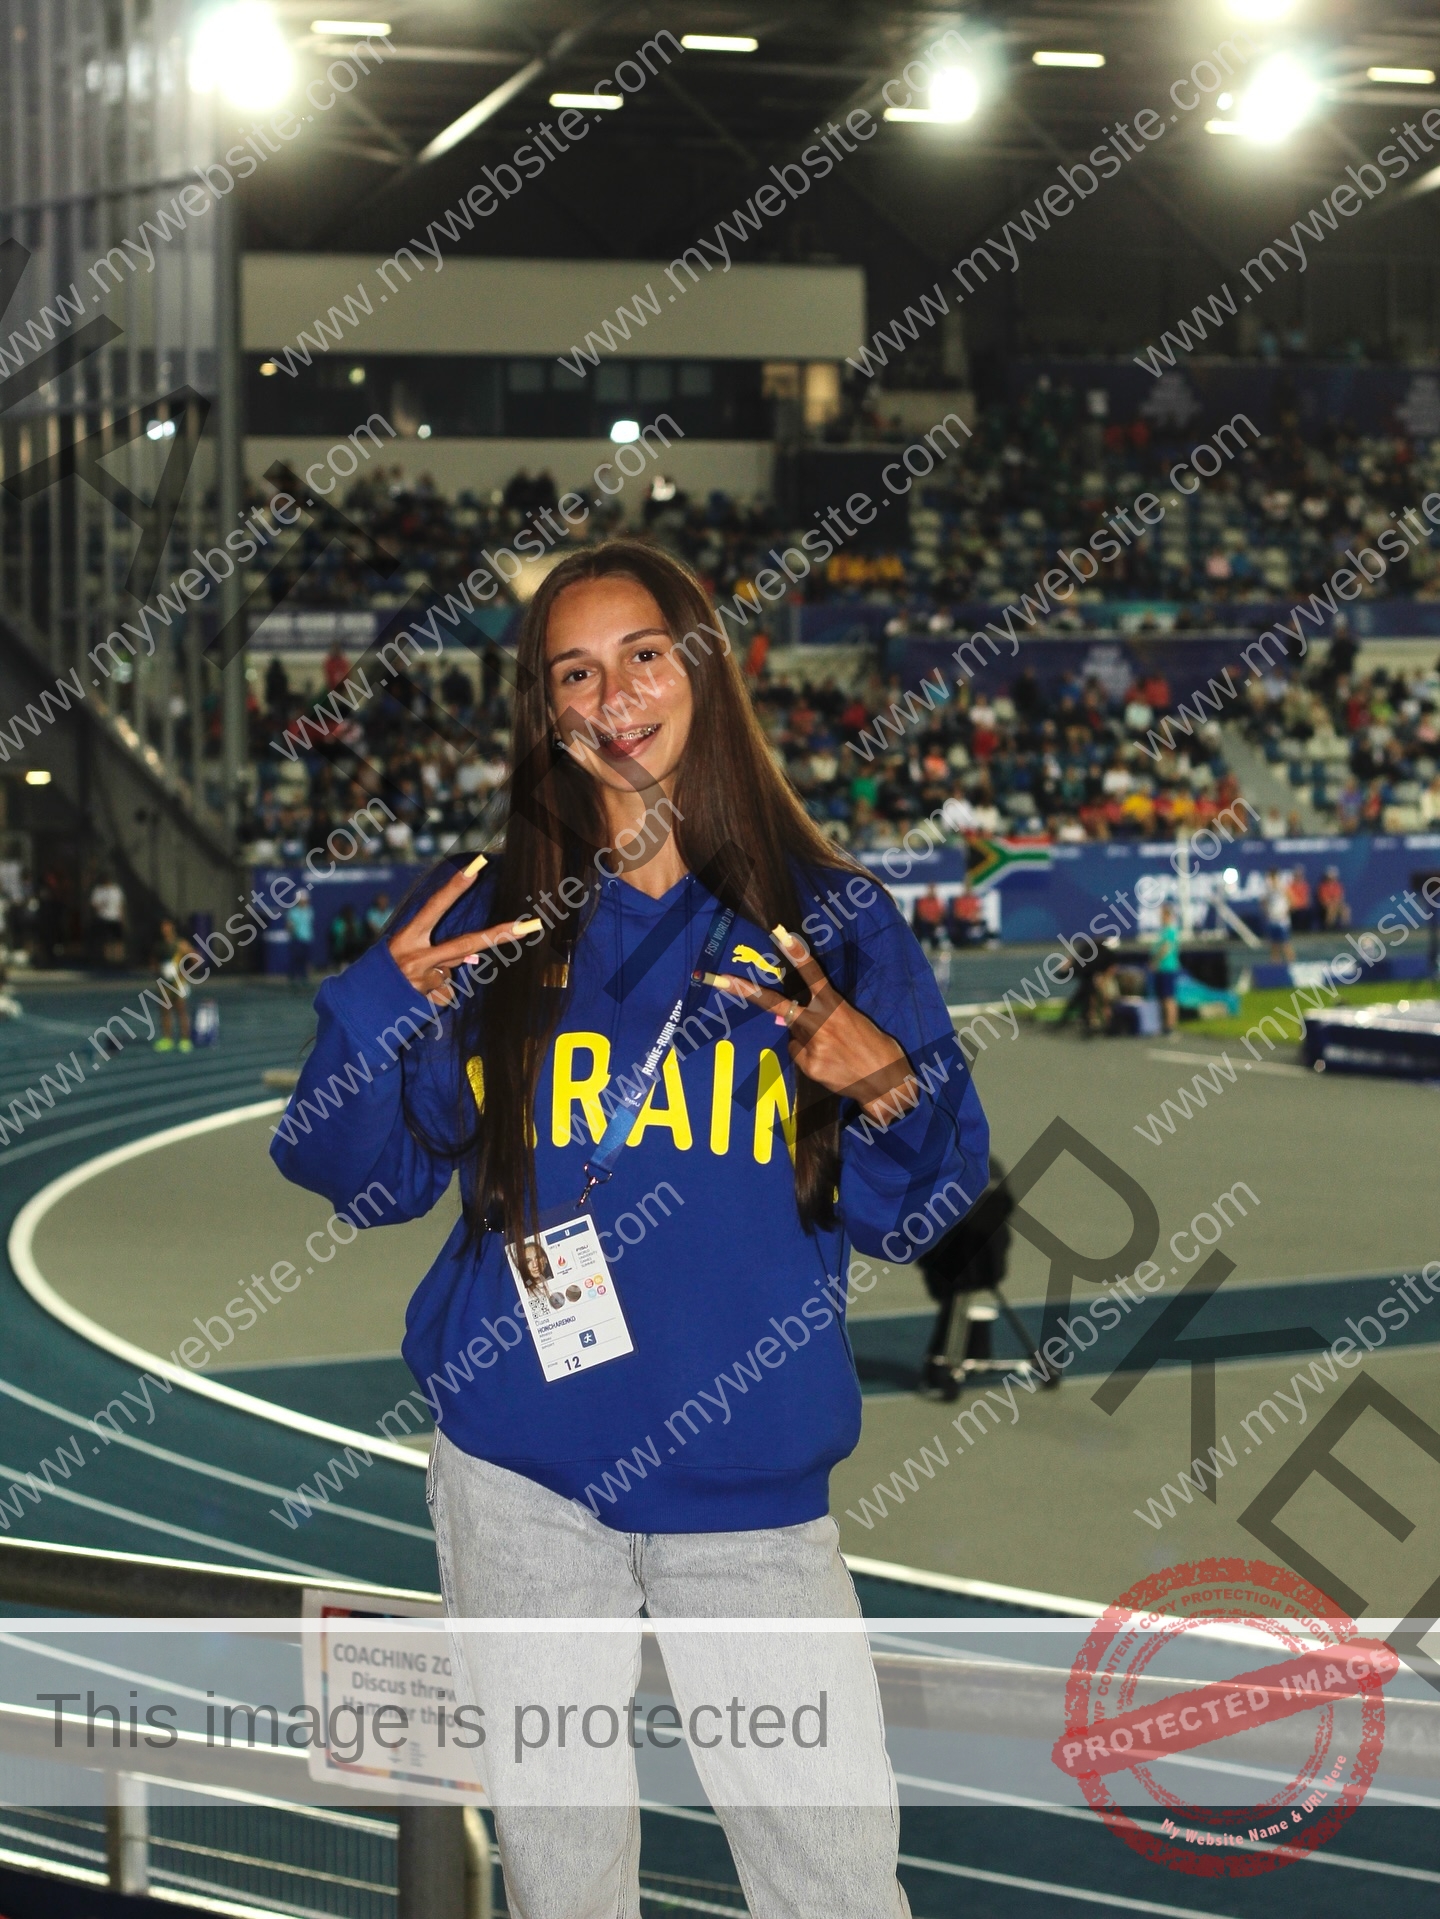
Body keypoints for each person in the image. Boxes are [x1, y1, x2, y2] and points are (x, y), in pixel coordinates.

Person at [273, 539, 988, 1917]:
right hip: (518, 1472)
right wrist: (372, 1014)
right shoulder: (487, 917)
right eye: (574, 674)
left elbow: (923, 1205)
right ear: (545, 713)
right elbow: (369, 1181)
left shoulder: (832, 918)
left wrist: (885, 1080)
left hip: (750, 1486)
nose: (614, 698)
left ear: (703, 666)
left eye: (643, 655)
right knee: (564, 1880)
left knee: (835, 1879)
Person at [918, 1156, 1012, 1400]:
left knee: (954, 1304)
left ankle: (942, 1368)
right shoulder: (988, 1167)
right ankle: (950, 1362)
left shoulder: (937, 1172)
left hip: (956, 1268)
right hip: (985, 1264)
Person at [151, 918, 194, 1051]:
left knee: (181, 1010)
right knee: (165, 1011)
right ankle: (167, 1039)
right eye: (163, 927)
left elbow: (196, 958)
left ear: (172, 928)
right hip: (164, 982)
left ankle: (185, 1039)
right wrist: (158, 972)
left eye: (167, 927)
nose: (165, 930)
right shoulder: (159, 946)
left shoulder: (180, 944)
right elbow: (154, 962)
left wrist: (184, 973)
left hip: (178, 982)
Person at [1150, 902, 1181, 1032]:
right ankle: (1165, 1024)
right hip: (1163, 968)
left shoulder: (1170, 931)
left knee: (1168, 997)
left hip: (1167, 968)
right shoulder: (1164, 931)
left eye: (1162, 915)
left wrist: (1155, 961)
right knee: (1163, 997)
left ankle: (1170, 1025)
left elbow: (1165, 948)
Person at [89, 875, 126, 968]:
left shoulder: (116, 890)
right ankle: (107, 960)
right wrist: (101, 908)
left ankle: (118, 959)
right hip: (103, 918)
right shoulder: (98, 890)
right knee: (106, 940)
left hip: (115, 917)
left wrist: (121, 918)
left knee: (118, 940)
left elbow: (120, 905)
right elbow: (94, 904)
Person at [1263, 868, 1294, 964]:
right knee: (1274, 945)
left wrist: (1285, 912)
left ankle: (1291, 965)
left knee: (1285, 944)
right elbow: (1264, 902)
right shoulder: (1267, 889)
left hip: (1282, 921)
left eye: (1273, 877)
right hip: (1272, 920)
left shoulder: (1283, 887)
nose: (1271, 879)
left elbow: (1292, 900)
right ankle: (1275, 965)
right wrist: (1267, 912)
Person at [286, 888, 315, 983]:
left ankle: (304, 976)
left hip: (307, 938)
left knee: (305, 958)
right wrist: (292, 931)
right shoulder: (293, 912)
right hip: (297, 939)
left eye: (305, 899)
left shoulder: (309, 910)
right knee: (296, 958)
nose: (304, 901)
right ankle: (294, 976)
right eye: (302, 900)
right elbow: (289, 925)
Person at [1317, 865, 1350, 931]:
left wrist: (1337, 902)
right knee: (1331, 908)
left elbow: (1340, 897)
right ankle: (1329, 928)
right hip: (1326, 906)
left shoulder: (1337, 885)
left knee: (1346, 909)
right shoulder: (1323, 886)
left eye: (1334, 877)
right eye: (1331, 877)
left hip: (1337, 904)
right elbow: (1324, 899)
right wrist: (1332, 903)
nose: (1332, 879)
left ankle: (1345, 927)